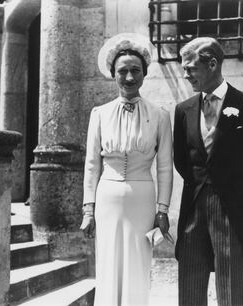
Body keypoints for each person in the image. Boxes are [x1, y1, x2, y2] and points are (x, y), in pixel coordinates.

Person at [174, 37, 243, 306]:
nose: (186, 75)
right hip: (193, 207)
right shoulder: (183, 110)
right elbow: (181, 160)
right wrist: (201, 184)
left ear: (212, 64)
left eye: (191, 69)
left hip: (233, 208)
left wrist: (241, 188)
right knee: (191, 285)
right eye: (184, 69)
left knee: (233, 285)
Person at [80, 33, 173, 306]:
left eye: (135, 71)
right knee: (108, 262)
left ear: (144, 74)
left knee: (137, 264)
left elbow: (165, 167)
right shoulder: (99, 113)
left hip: (142, 199)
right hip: (106, 198)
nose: (129, 77)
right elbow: (92, 164)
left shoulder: (160, 115)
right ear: (113, 74)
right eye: (123, 71)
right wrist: (88, 209)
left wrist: (163, 209)